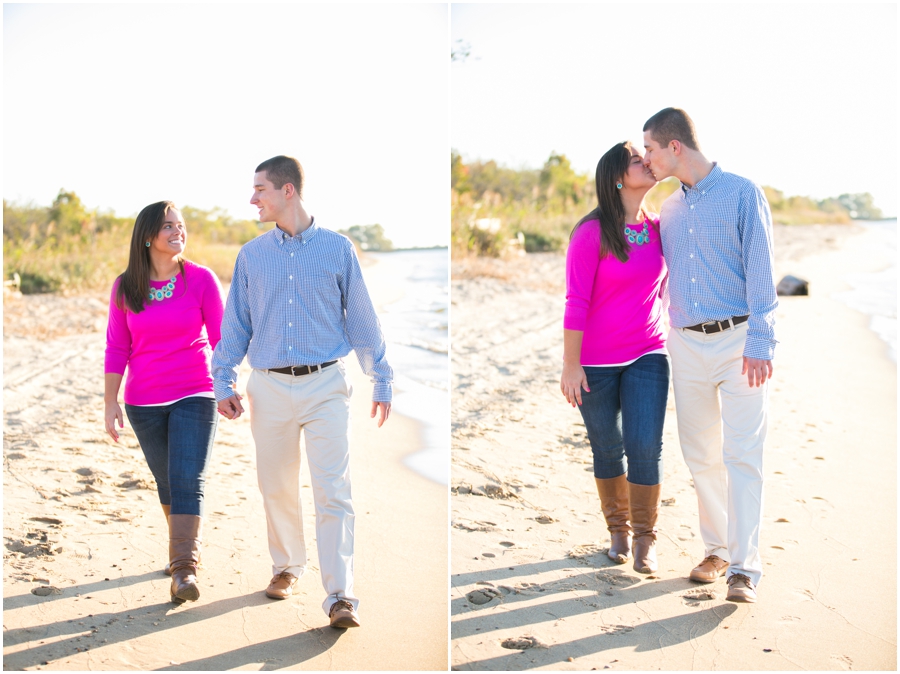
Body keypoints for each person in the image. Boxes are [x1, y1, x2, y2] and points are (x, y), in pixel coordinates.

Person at [212, 155, 393, 629]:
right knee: (276, 486)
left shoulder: (337, 250)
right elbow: (235, 326)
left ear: (287, 190)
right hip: (268, 387)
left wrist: (382, 378)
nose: (253, 199)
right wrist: (223, 378)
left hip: (326, 385)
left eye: (261, 189)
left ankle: (340, 596)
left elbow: (361, 321)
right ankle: (287, 567)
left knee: (334, 491)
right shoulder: (252, 255)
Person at [642, 107, 777, 603]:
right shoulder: (670, 209)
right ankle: (717, 549)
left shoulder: (743, 193)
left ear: (675, 146)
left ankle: (744, 568)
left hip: (739, 341)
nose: (647, 158)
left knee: (743, 454)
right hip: (686, 343)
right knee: (700, 455)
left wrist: (761, 342)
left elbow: (762, 274)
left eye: (651, 149)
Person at [104, 201, 224, 604]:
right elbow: (117, 346)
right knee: (167, 480)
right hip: (144, 400)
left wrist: (228, 386)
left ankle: (184, 570)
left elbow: (222, 338)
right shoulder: (125, 287)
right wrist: (110, 401)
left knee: (189, 477)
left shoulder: (202, 279)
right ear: (148, 235)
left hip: (196, 389)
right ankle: (181, 553)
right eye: (168, 226)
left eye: (181, 225)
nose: (178, 231)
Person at [560, 141, 670, 575]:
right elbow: (576, 301)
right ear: (618, 178)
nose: (646, 162)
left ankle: (646, 538)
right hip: (595, 363)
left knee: (645, 445)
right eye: (636, 160)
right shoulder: (590, 232)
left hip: (648, 353)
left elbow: (664, 287)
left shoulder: (660, 227)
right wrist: (571, 365)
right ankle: (619, 531)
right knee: (607, 447)